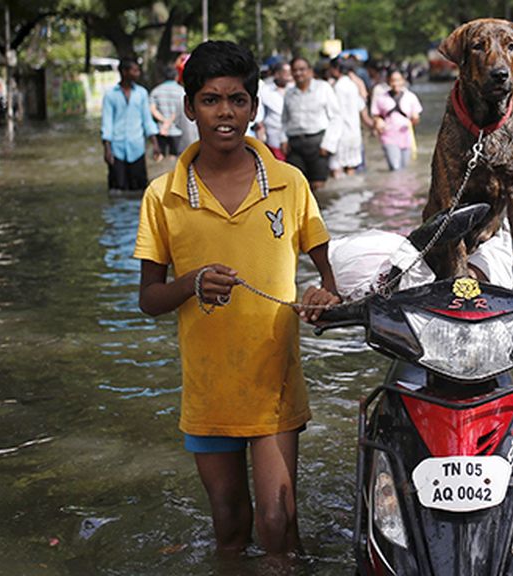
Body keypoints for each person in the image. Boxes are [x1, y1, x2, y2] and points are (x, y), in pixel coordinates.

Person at [133, 40, 340, 557]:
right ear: (189, 108)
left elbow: (329, 278)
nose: (224, 112)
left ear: (254, 107)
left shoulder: (289, 184)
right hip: (209, 390)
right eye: (210, 100)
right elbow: (149, 298)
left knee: (278, 522)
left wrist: (325, 297)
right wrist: (191, 282)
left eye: (237, 100)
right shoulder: (163, 195)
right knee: (229, 526)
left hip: (274, 384)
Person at [280, 56, 342, 191]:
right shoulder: (289, 93)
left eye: (302, 69)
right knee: (297, 185)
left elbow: (336, 118)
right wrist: (283, 139)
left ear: (310, 71)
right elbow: (284, 120)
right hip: (295, 144)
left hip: (317, 143)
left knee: (318, 186)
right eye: (295, 70)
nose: (298, 73)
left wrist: (328, 144)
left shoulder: (323, 88)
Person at [101, 57, 159, 192]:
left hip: (137, 148)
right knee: (117, 189)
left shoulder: (141, 93)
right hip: (117, 150)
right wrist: (107, 149)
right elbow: (107, 123)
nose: (138, 73)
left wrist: (155, 144)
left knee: (139, 189)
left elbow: (147, 120)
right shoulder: (110, 95)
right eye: (135, 70)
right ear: (124, 72)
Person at [327, 58, 372, 177]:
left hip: (339, 135)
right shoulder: (353, 85)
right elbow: (362, 108)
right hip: (354, 134)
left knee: (336, 168)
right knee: (351, 167)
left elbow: (332, 111)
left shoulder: (336, 87)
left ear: (336, 69)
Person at [370, 69, 422, 171]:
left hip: (406, 137)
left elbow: (416, 120)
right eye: (393, 80)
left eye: (398, 80)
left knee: (404, 168)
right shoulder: (381, 98)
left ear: (403, 81)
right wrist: (378, 121)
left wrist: (415, 118)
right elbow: (375, 115)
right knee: (395, 167)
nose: (395, 84)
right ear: (388, 81)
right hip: (388, 136)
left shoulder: (410, 97)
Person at [149, 67, 186, 160]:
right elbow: (180, 110)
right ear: (176, 77)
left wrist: (164, 122)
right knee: (175, 159)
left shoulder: (156, 91)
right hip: (177, 130)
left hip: (160, 130)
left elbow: (152, 110)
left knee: (159, 157)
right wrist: (169, 122)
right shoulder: (181, 91)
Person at [259, 60, 291, 160]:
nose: (289, 76)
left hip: (292, 138)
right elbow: (260, 115)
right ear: (277, 74)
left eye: (290, 72)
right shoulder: (265, 91)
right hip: (274, 138)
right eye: (285, 73)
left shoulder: (294, 90)